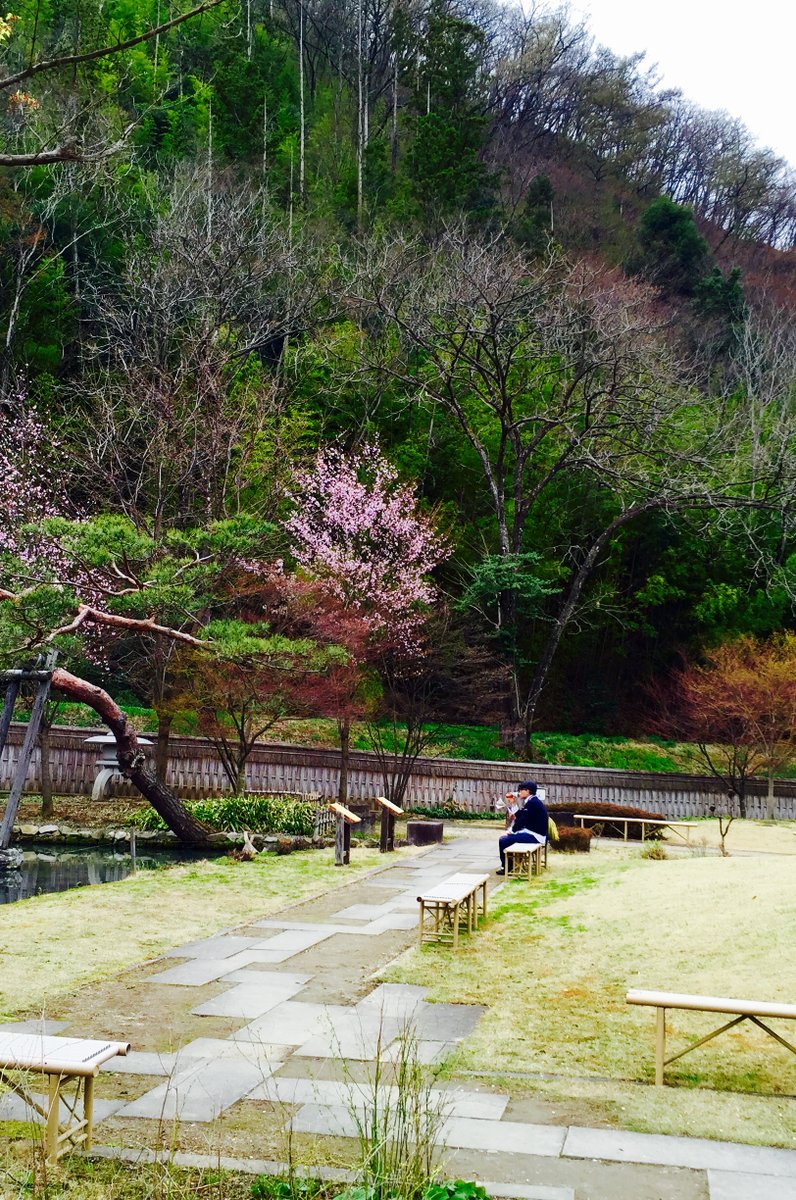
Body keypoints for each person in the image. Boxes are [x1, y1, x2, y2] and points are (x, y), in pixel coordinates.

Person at [496, 781, 548, 874]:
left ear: (528, 791)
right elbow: (521, 816)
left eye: (520, 790)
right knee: (508, 838)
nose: (518, 792)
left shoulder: (533, 803)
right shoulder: (532, 801)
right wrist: (513, 803)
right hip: (534, 833)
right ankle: (512, 864)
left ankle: (507, 867)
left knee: (504, 840)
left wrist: (510, 831)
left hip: (535, 836)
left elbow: (522, 821)